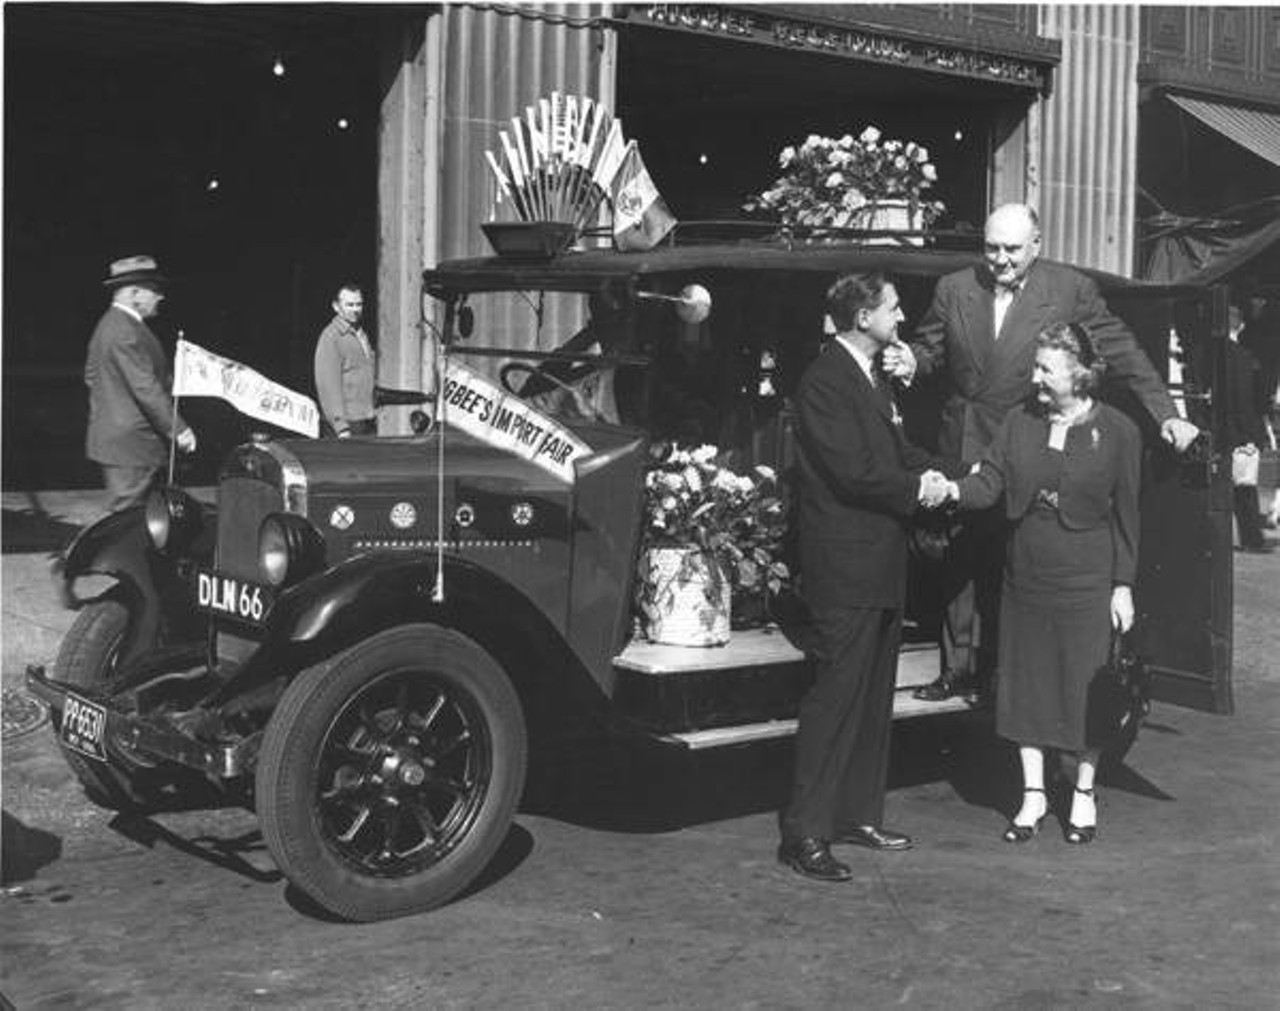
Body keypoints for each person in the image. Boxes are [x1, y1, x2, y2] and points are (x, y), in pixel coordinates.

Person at [893, 202, 1198, 704]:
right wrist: (911, 361)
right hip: (964, 438)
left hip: (1024, 438)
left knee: (1010, 555)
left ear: (1038, 245)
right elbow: (930, 353)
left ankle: (999, 673)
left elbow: (1121, 351)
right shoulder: (954, 288)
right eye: (991, 248)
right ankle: (957, 669)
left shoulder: (1068, 290)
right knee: (958, 555)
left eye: (1012, 249)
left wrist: (1167, 413)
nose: (1001, 260)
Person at [778, 273, 955, 882]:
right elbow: (855, 473)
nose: (901, 318)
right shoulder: (825, 381)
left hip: (879, 562)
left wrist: (951, 474)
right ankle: (806, 833)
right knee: (835, 698)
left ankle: (855, 814)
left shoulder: (870, 377)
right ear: (861, 317)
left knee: (874, 698)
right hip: (845, 567)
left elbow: (897, 454)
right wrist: (920, 490)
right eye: (893, 308)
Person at [936, 323, 1141, 844]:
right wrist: (946, 491)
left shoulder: (1118, 431)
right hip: (1026, 574)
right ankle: (1032, 796)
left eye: (1046, 369)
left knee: (1083, 687)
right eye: (1035, 367)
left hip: (1087, 579)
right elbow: (987, 483)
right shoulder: (1018, 422)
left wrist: (1123, 585)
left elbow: (1128, 518)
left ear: (1081, 373)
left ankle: (1083, 794)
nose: (1036, 379)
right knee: (1027, 686)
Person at [85, 255, 196, 512]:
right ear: (135, 293)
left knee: (137, 518)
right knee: (127, 521)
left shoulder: (111, 325)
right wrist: (178, 428)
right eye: (154, 290)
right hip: (133, 446)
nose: (160, 297)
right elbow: (145, 387)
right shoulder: (125, 330)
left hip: (124, 443)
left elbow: (91, 377)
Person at [1223, 305, 1271, 553]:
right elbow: (1245, 399)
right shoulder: (1243, 357)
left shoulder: (1211, 354)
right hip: (1241, 432)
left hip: (1219, 428)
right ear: (1240, 325)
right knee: (1245, 489)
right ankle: (1251, 537)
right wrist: (1249, 435)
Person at [314, 283, 376, 438]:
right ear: (336, 307)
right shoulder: (331, 337)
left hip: (365, 421)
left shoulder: (360, 334)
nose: (355, 309)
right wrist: (340, 426)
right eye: (349, 305)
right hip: (346, 427)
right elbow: (328, 385)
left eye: (359, 304)